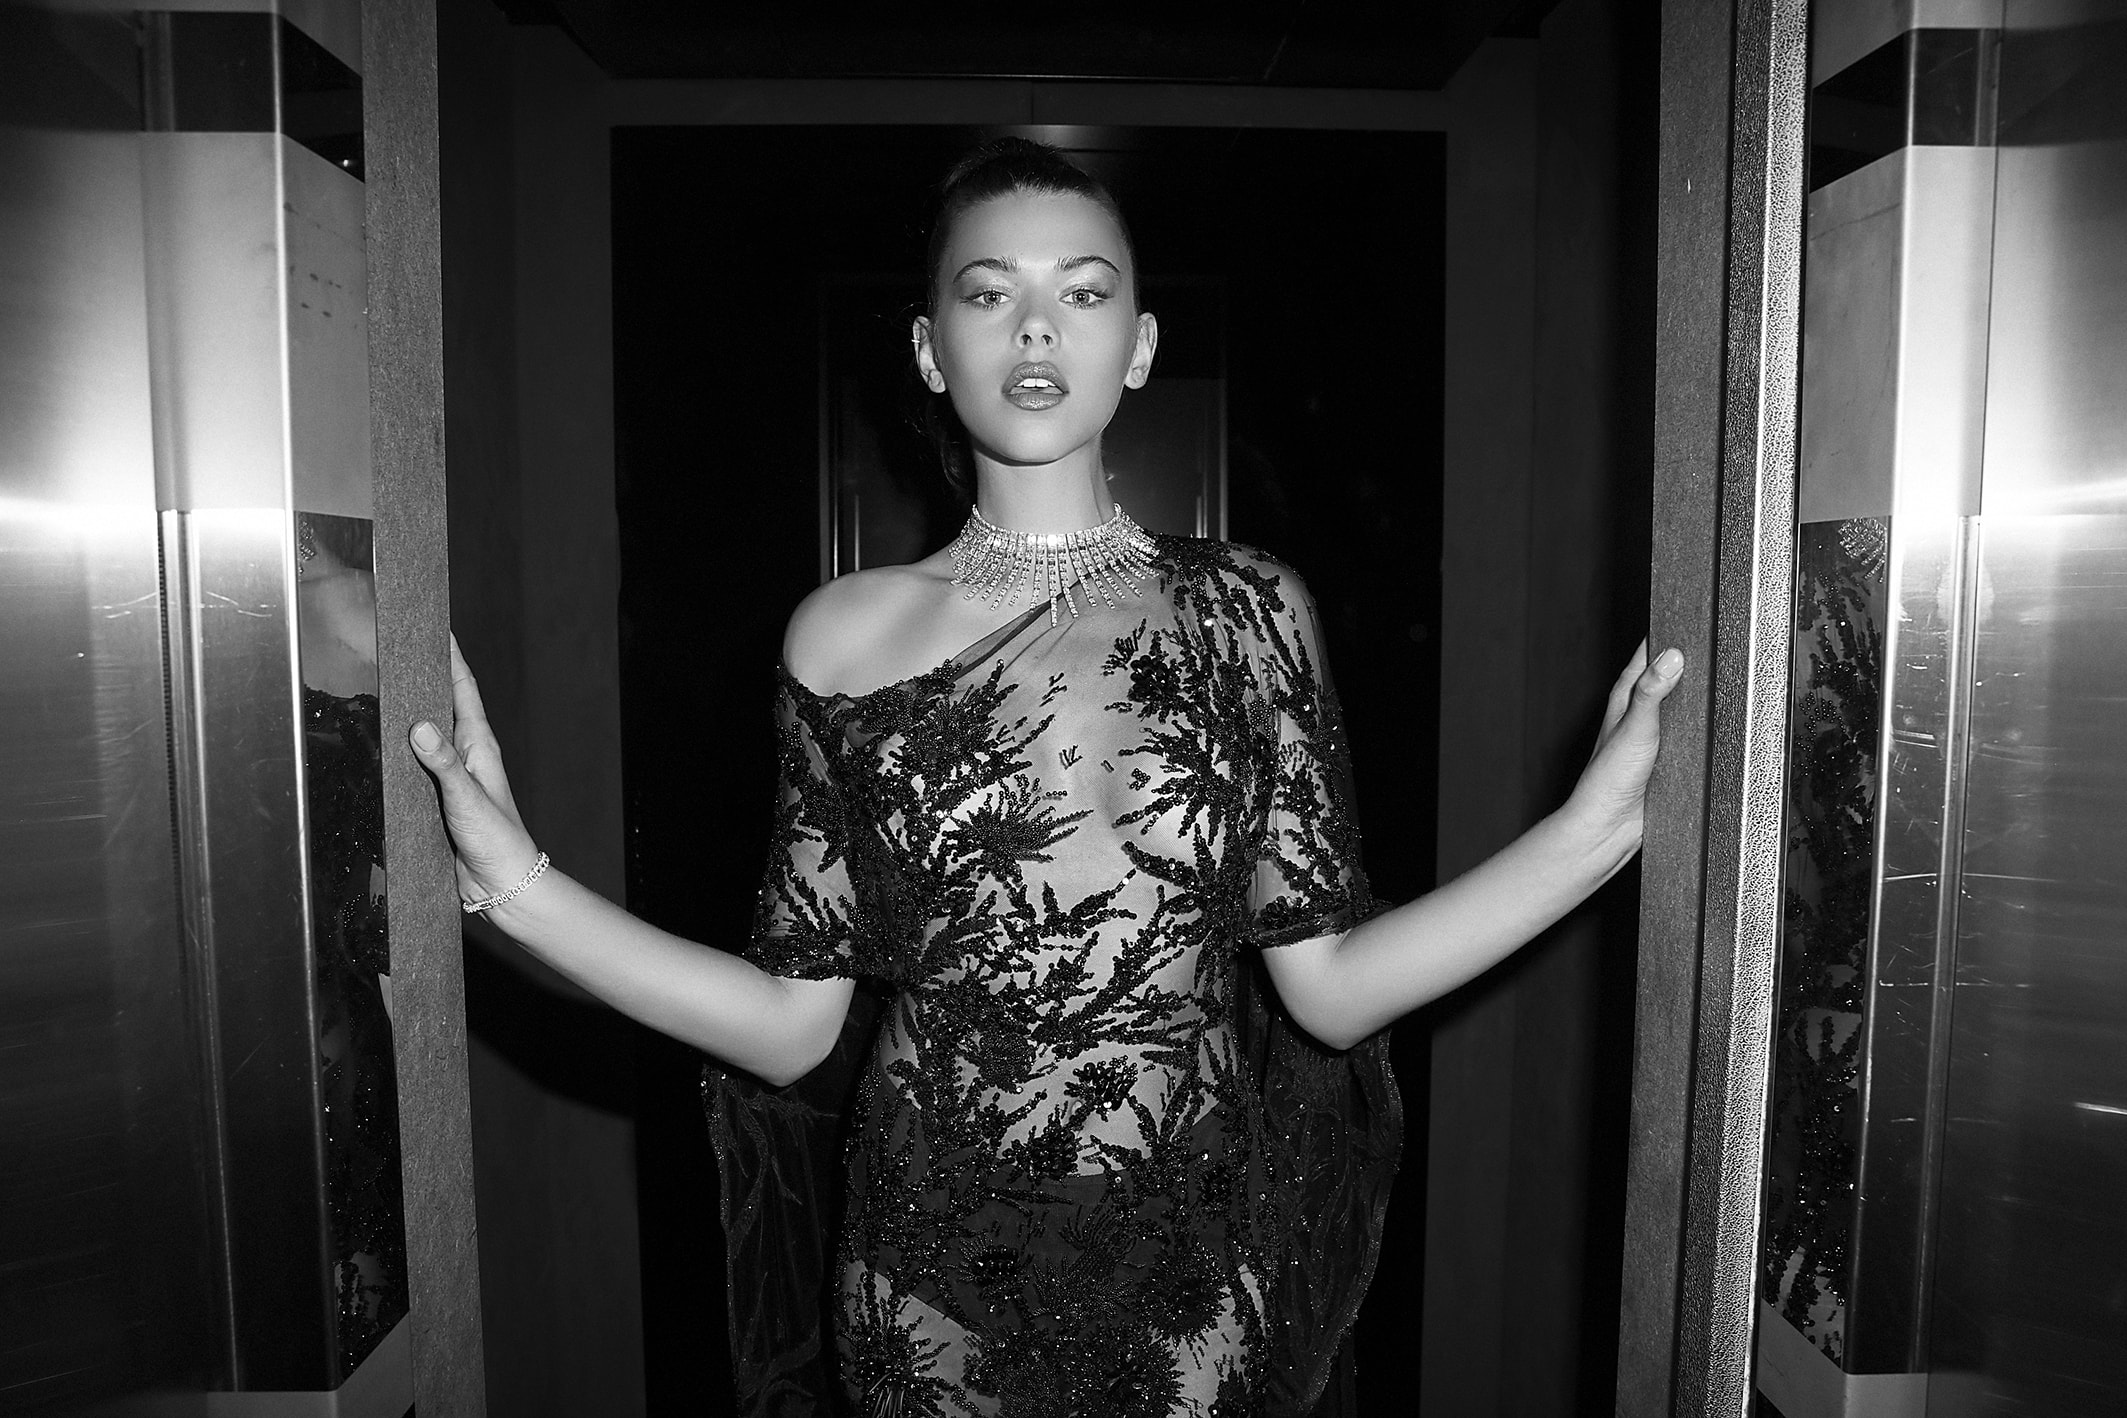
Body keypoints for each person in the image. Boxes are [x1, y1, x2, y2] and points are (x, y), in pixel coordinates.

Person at [410, 138, 1682, 1417]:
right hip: (926, 1253)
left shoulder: (1249, 609)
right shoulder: (838, 635)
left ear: (1139, 344)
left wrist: (1592, 831)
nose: (1035, 326)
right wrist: (515, 884)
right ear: (929, 349)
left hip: (1189, 1246)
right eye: (988, 291)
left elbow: (1336, 990)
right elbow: (791, 1024)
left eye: (1082, 290)